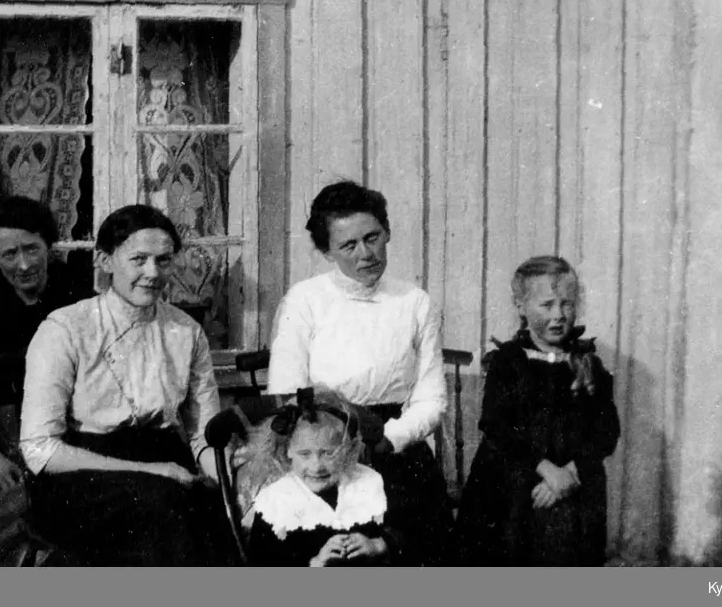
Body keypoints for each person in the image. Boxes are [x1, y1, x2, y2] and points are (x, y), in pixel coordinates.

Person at [18, 204, 232, 565]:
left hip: (168, 462)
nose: (153, 273)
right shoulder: (66, 329)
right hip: (80, 474)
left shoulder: (185, 332)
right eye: (139, 259)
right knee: (163, 506)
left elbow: (203, 436)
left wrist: (232, 485)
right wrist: (150, 471)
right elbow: (40, 448)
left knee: (221, 510)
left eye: (163, 260)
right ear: (104, 260)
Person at [266, 180, 451, 565]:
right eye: (348, 245)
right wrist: (334, 443)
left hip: (392, 443)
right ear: (325, 251)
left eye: (372, 237)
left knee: (416, 535)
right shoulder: (305, 300)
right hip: (325, 443)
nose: (365, 253)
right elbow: (287, 390)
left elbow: (431, 397)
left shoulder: (414, 302)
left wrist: (388, 440)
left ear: (387, 232)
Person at [0, 196, 91, 566]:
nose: (23, 264)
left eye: (31, 249)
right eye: (9, 254)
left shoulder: (82, 305)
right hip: (3, 456)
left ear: (48, 245)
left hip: (70, 449)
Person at [455, 256, 621, 566]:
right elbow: (496, 426)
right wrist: (546, 470)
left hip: (575, 479)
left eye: (567, 304)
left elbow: (606, 430)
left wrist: (570, 472)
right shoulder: (509, 361)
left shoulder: (587, 363)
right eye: (547, 305)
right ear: (521, 307)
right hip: (516, 479)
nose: (559, 315)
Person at [246, 387, 392, 566]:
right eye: (305, 454)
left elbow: (409, 534)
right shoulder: (276, 502)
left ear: (348, 449)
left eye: (329, 453)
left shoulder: (367, 484)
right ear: (288, 450)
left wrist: (379, 545)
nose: (316, 466)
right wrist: (315, 563)